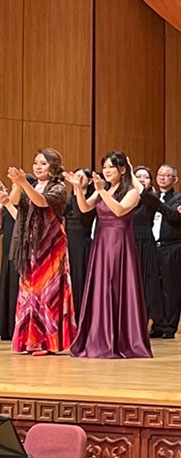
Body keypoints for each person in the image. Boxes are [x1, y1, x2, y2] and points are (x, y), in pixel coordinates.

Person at [68, 151, 152, 359]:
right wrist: (78, 188)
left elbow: (119, 211)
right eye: (104, 167)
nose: (106, 171)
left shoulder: (131, 191)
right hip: (102, 242)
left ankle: (121, 340)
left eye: (110, 167)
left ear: (122, 170)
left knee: (116, 285)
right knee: (101, 287)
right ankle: (98, 337)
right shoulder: (103, 189)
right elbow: (84, 208)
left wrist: (101, 191)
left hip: (120, 242)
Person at [7, 149, 76, 354]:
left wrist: (24, 183)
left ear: (53, 167)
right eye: (36, 163)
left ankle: (48, 342)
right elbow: (15, 201)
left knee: (47, 292)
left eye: (43, 163)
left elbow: (41, 201)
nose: (38, 167)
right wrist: (17, 184)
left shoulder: (58, 188)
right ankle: (30, 340)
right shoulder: (32, 184)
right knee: (29, 292)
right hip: (31, 246)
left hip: (51, 245)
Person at [149, 164, 181, 339]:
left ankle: (169, 326)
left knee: (171, 288)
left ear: (175, 179)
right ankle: (157, 324)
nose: (162, 178)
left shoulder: (179, 198)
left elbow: (173, 216)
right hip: (154, 247)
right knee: (155, 288)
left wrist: (157, 202)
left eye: (167, 175)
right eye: (160, 174)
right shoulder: (153, 197)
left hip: (171, 247)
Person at [0, 178, 35, 341]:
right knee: (7, 285)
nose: (13, 189)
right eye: (13, 186)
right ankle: (6, 327)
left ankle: (17, 327)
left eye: (17, 186)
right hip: (8, 249)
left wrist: (7, 204)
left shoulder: (28, 205)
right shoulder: (9, 204)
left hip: (21, 250)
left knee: (17, 286)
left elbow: (23, 224)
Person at [64, 168, 96, 321]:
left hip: (83, 245)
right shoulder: (68, 199)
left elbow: (81, 215)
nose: (77, 179)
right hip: (67, 244)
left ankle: (81, 318)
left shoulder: (92, 199)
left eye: (81, 177)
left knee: (80, 280)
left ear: (89, 181)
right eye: (75, 176)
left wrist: (77, 189)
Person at [132, 166, 159, 321]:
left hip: (145, 242)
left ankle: (143, 320)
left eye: (146, 177)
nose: (142, 179)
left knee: (145, 283)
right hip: (128, 241)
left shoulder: (151, 198)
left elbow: (144, 195)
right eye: (138, 176)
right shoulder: (127, 197)